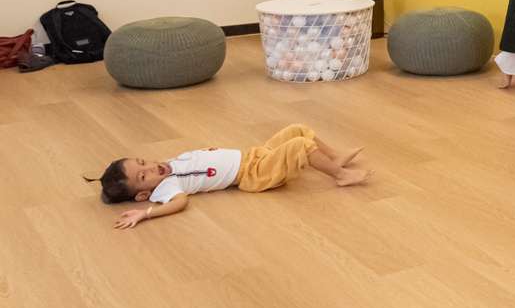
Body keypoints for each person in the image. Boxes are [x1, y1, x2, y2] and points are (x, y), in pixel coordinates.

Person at [84, 124, 370, 228]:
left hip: (254, 154)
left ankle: (334, 157)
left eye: (143, 162)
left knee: (296, 129)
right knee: (299, 145)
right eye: (143, 176)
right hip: (252, 173)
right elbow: (180, 202)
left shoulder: (168, 166)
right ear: (145, 193)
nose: (150, 168)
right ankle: (339, 174)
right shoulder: (166, 188)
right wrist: (146, 213)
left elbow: (195, 159)